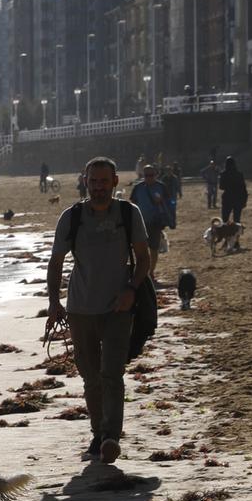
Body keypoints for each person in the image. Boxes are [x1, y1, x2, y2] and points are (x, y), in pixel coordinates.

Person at [48, 157, 153, 465]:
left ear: (115, 182)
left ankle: (110, 437)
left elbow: (144, 258)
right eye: (93, 182)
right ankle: (98, 431)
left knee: (112, 374)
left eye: (104, 182)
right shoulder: (73, 217)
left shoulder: (127, 214)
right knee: (91, 377)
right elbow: (55, 263)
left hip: (118, 308)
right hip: (80, 309)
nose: (98, 188)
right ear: (86, 182)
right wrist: (54, 303)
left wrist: (131, 290)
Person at [130, 163, 168, 271]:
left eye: (151, 175)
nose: (149, 177)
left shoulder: (161, 187)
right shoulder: (138, 188)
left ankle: (151, 271)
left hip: (156, 222)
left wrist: (161, 202)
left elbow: (169, 203)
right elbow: (133, 203)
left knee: (154, 248)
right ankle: (143, 271)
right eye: (146, 175)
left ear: (156, 174)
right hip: (140, 223)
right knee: (141, 249)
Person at [219, 157, 248, 225]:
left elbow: (221, 187)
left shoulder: (223, 174)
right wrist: (244, 200)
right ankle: (235, 234)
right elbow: (243, 188)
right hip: (238, 197)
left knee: (225, 219)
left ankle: (225, 233)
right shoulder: (239, 174)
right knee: (237, 219)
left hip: (227, 197)